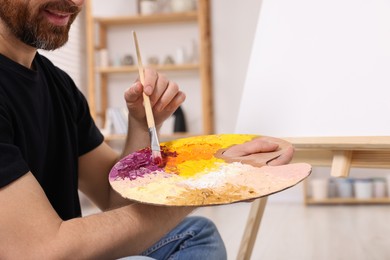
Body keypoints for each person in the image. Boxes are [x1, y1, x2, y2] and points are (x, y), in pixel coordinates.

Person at [0, 0, 294, 259]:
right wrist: (210, 184)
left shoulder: (58, 83)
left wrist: (141, 125)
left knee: (195, 233)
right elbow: (40, 251)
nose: (76, 2)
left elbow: (114, 197)